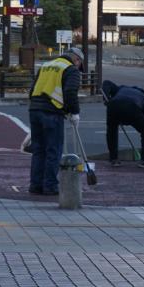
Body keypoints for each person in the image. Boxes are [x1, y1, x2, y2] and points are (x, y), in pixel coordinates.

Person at [28, 47, 83, 195]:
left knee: (38, 150)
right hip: (52, 113)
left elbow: (32, 89)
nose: (78, 67)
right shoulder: (71, 70)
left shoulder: (46, 66)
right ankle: (50, 186)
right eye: (79, 64)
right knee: (54, 150)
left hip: (34, 109)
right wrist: (74, 112)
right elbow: (70, 92)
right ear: (76, 59)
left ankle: (35, 185)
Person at [101, 80, 144, 168]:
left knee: (112, 132)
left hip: (113, 106)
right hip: (132, 107)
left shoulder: (120, 89)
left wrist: (106, 99)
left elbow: (106, 83)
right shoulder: (143, 97)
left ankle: (114, 159)